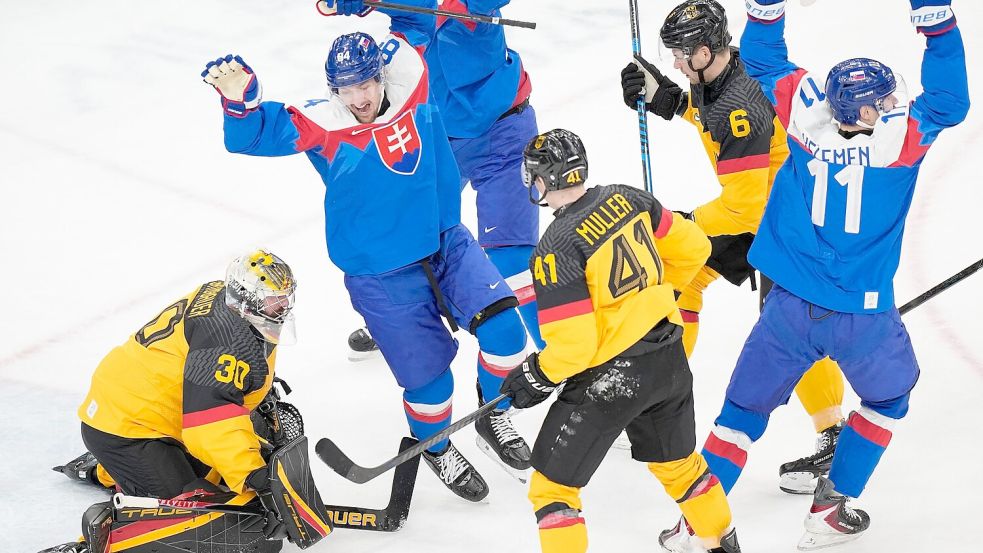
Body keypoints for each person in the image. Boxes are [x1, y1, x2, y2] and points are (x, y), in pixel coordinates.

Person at [205, 0, 533, 499]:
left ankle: (492, 415)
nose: (359, 97)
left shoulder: (413, 77)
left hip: (446, 244)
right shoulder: (325, 123)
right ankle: (438, 450)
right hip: (382, 275)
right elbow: (252, 136)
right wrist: (239, 103)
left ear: (380, 74)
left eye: (366, 82)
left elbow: (423, 13)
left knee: (508, 336)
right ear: (333, 90)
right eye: (347, 88)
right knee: (431, 387)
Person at [695, 0, 968, 549]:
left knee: (739, 416)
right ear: (868, 114)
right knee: (889, 400)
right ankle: (831, 509)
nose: (894, 101)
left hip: (787, 308)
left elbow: (761, 57)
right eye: (885, 98)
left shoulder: (804, 115)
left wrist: (765, 9)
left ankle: (694, 527)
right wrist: (937, 22)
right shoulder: (903, 140)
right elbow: (949, 100)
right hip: (862, 317)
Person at [619, 0, 846, 496]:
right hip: (768, 210)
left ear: (705, 51)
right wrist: (674, 102)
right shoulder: (724, 72)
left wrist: (677, 223)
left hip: (785, 224)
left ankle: (835, 436)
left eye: (680, 54)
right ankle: (656, 395)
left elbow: (741, 210)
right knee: (679, 280)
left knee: (790, 328)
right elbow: (710, 114)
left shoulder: (738, 106)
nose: (676, 63)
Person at [499, 129, 741, 553]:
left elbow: (575, 347)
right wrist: (655, 298)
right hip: (668, 358)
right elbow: (696, 247)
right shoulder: (629, 197)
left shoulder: (555, 247)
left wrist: (536, 374)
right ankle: (721, 544)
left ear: (541, 181)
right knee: (682, 469)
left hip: (612, 379)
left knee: (551, 490)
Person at [43, 249, 305, 553]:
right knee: (207, 521)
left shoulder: (226, 298)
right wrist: (258, 479)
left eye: (285, 296)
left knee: (230, 471)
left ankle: (112, 469)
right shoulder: (225, 338)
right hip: (128, 428)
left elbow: (223, 383)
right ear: (246, 297)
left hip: (151, 409)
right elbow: (209, 423)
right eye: (274, 298)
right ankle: (95, 542)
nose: (283, 305)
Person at [348, 0, 544, 361]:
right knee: (404, 231)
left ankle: (562, 357)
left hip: (501, 130)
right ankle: (404, 319)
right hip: (439, 133)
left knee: (511, 257)